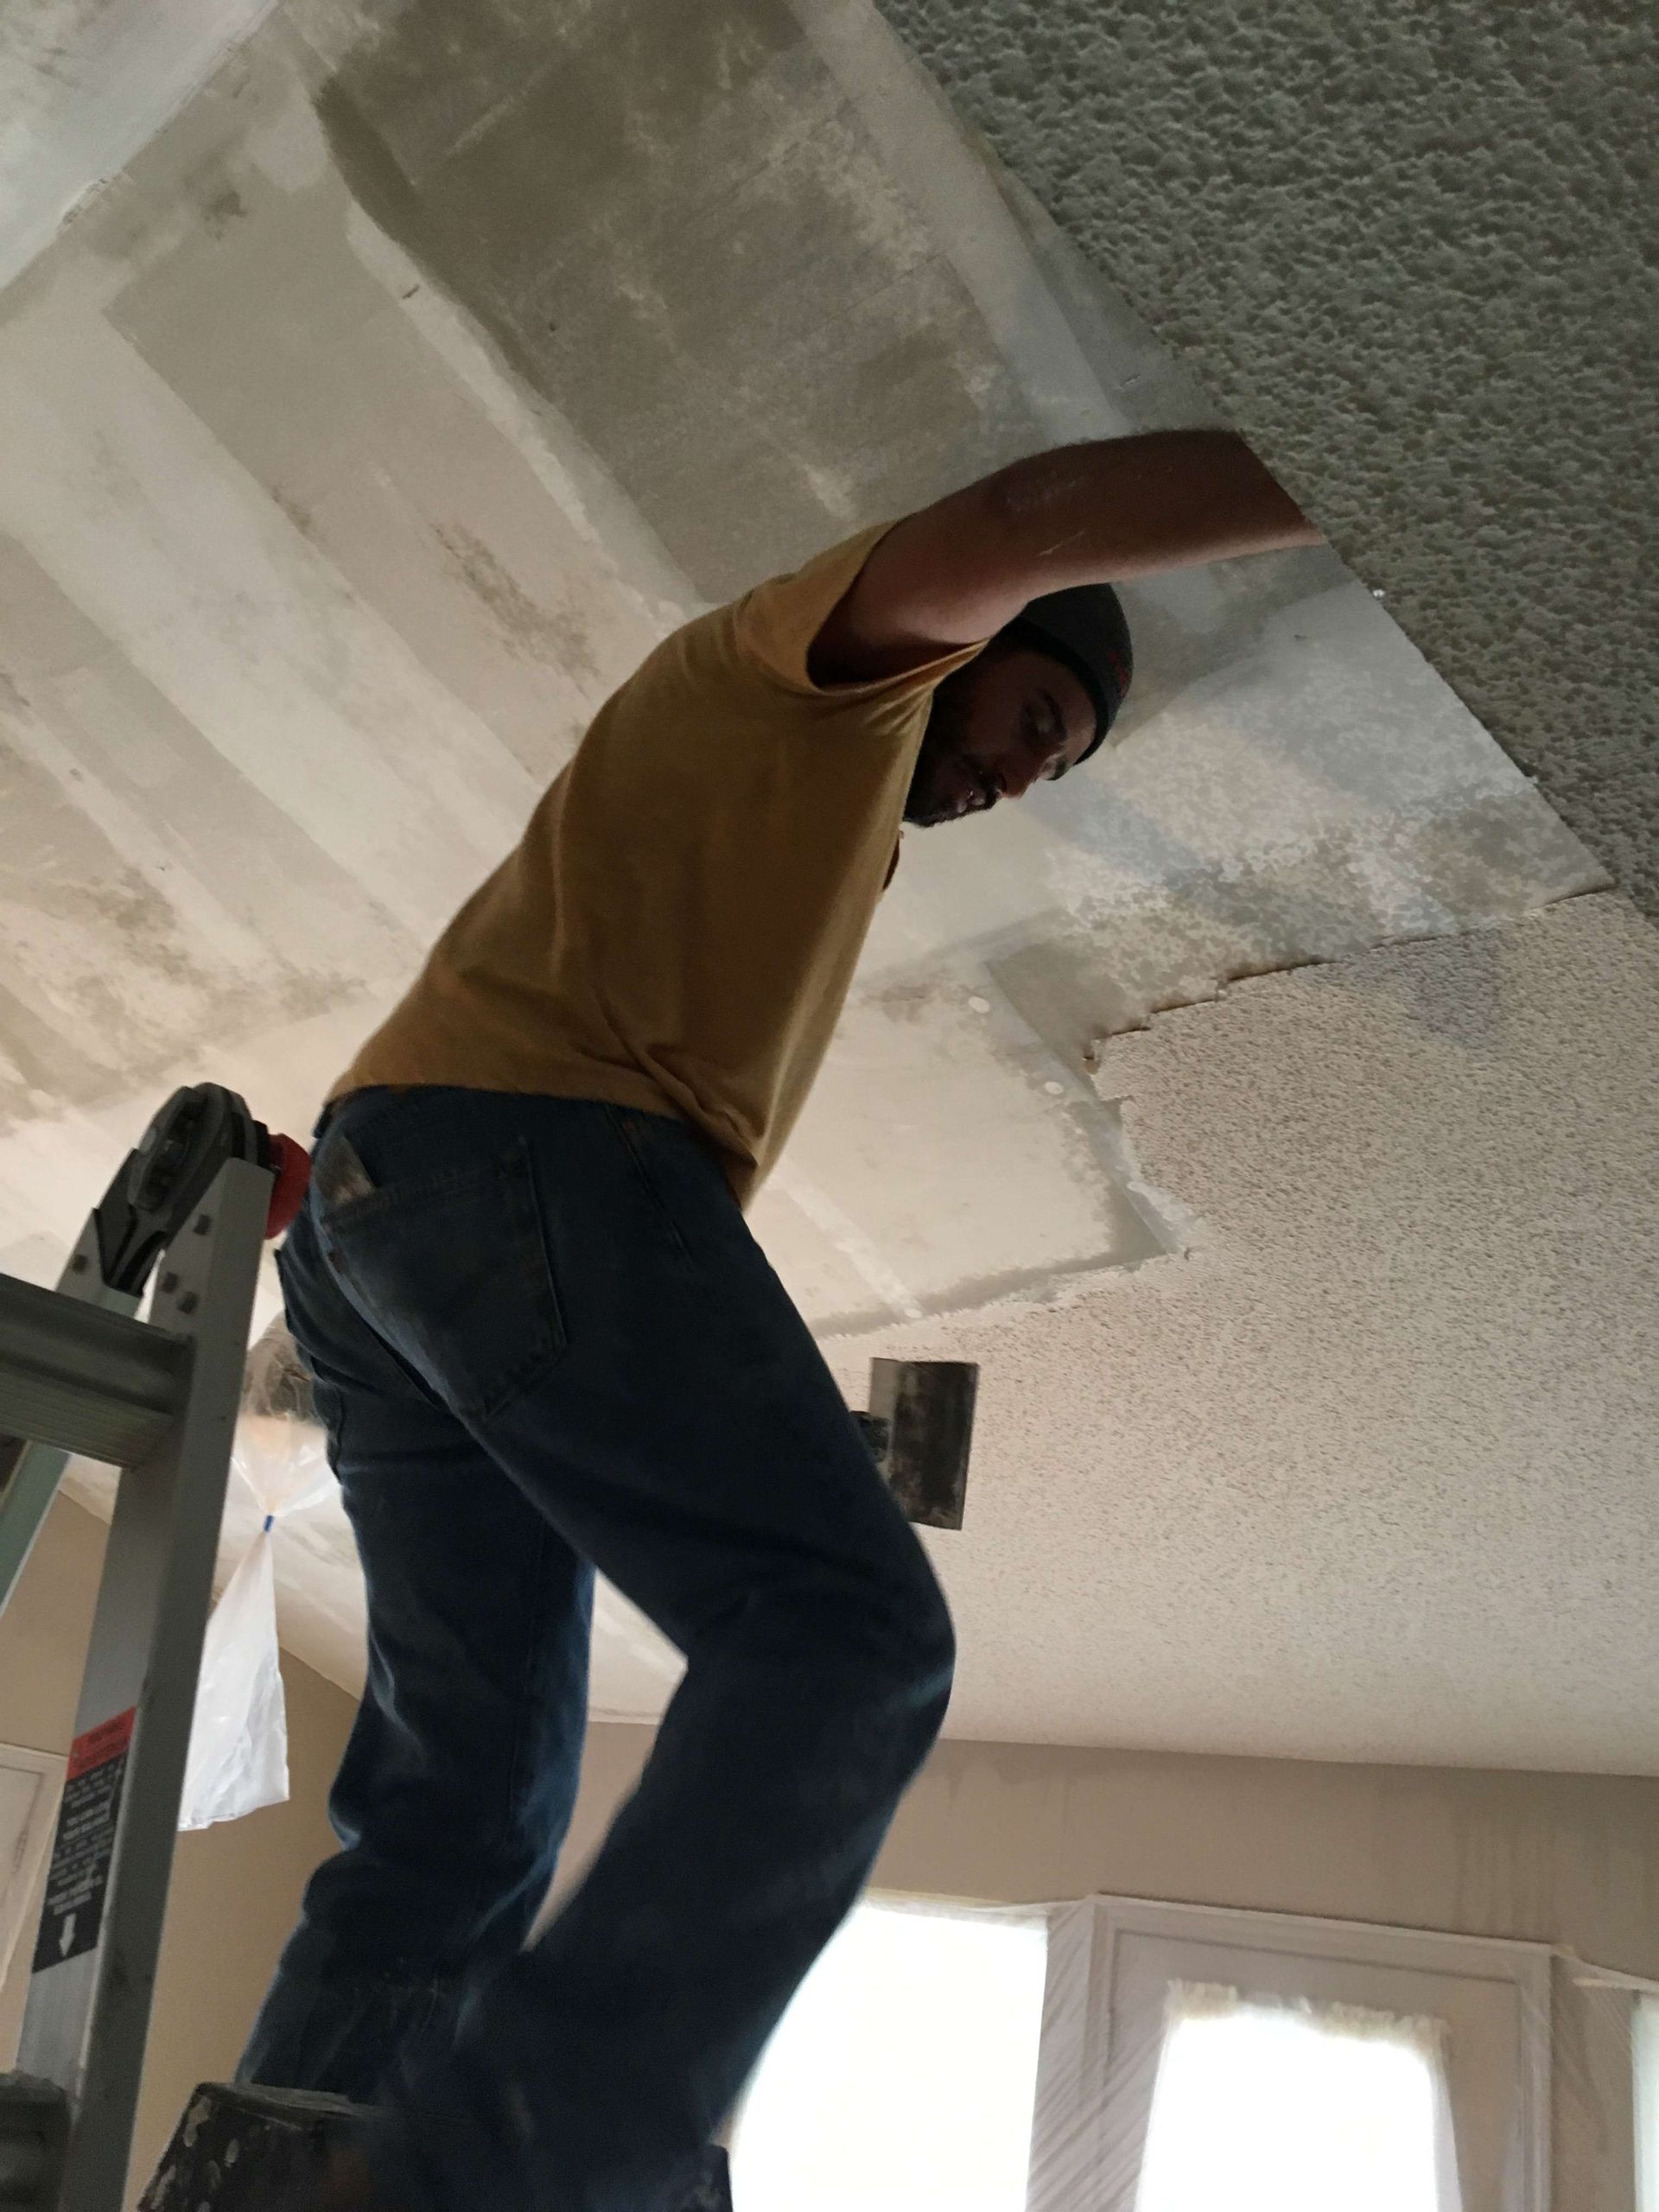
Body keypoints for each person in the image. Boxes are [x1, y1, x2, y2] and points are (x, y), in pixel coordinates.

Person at [245, 429, 1319, 2212]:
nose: (1010, 777)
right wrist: (1352, 452)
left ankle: (288, 2151)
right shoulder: (814, 676)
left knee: (468, 1809)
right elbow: (1008, 529)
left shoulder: (815, 814)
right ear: (977, 650)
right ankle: (514, 2165)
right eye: (1033, 726)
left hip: (398, 1220)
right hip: (524, 1160)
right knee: (844, 1634)